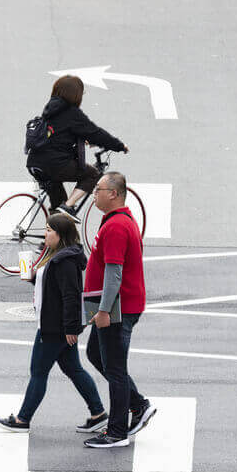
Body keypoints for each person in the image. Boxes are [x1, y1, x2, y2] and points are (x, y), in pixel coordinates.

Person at [0, 213, 107, 432]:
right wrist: (32, 276)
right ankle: (98, 413)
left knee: (38, 371)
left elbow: (71, 296)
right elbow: (52, 286)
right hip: (58, 326)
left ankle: (22, 420)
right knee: (73, 369)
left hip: (54, 328)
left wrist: (71, 328)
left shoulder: (64, 261)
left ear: (60, 234)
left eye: (48, 230)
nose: (44, 234)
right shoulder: (60, 256)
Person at [83, 172, 156, 449]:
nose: (94, 194)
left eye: (98, 189)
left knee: (115, 368)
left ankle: (117, 432)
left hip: (115, 307)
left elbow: (114, 274)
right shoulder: (115, 221)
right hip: (107, 304)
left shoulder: (116, 226)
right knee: (95, 354)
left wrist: (103, 311)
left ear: (113, 193)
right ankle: (138, 405)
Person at [26, 75, 128, 213]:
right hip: (55, 164)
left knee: (58, 212)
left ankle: (56, 226)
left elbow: (58, 134)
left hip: (35, 163)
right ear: (75, 94)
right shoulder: (71, 113)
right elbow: (95, 132)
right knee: (93, 174)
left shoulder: (50, 109)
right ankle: (68, 206)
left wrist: (82, 139)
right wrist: (119, 146)